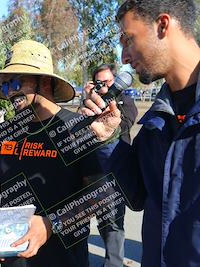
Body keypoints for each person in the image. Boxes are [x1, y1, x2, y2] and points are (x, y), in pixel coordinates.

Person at [0, 40, 118, 267]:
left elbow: (98, 195)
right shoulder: (1, 134)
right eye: (5, 85)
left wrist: (51, 224)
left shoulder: (78, 129)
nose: (10, 91)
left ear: (46, 82)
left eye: (17, 81)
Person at [81, 0, 200, 266]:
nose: (123, 57)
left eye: (128, 39)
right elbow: (136, 197)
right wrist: (108, 137)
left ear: (162, 25)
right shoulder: (156, 120)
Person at [81, 64, 138, 267]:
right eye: (99, 83)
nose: (104, 86)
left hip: (116, 170)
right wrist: (85, 99)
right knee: (102, 220)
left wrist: (108, 109)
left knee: (115, 220)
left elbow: (127, 123)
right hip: (93, 172)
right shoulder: (90, 104)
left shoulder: (126, 101)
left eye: (108, 82)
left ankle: (113, 263)